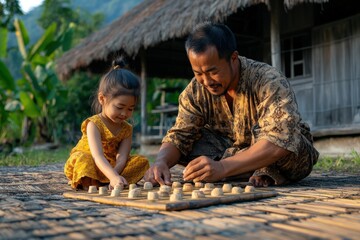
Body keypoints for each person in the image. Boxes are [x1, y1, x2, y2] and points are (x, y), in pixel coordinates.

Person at [144, 22, 319, 187]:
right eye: (198, 73)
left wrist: (222, 168)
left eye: (213, 72)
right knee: (188, 145)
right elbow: (181, 135)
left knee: (287, 143)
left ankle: (251, 168)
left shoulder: (269, 80)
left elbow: (281, 139)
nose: (206, 81)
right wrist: (161, 162)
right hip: (228, 150)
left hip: (283, 154)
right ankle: (246, 168)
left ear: (233, 58)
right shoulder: (195, 90)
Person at [64, 57, 149, 190]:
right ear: (102, 99)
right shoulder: (94, 124)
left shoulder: (127, 129)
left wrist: (114, 174)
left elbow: (122, 158)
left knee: (141, 162)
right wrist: (113, 177)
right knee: (83, 160)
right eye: (119, 107)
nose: (124, 113)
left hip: (112, 166)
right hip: (93, 162)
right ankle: (93, 182)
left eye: (130, 109)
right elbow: (97, 156)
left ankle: (108, 182)